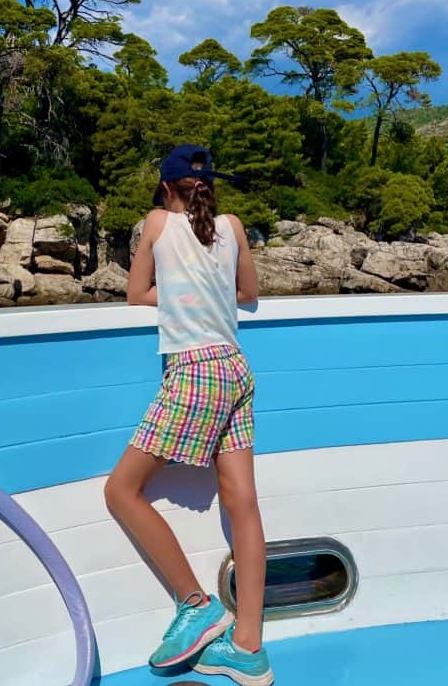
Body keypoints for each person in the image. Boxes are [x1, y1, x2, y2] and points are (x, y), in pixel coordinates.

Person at [103, 144, 274, 686]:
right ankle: (248, 646)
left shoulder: (156, 222)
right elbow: (247, 291)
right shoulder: (234, 226)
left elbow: (135, 294)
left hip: (196, 370)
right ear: (207, 186)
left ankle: (195, 603)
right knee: (243, 504)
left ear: (165, 187)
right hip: (236, 368)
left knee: (120, 491)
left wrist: (175, 297)